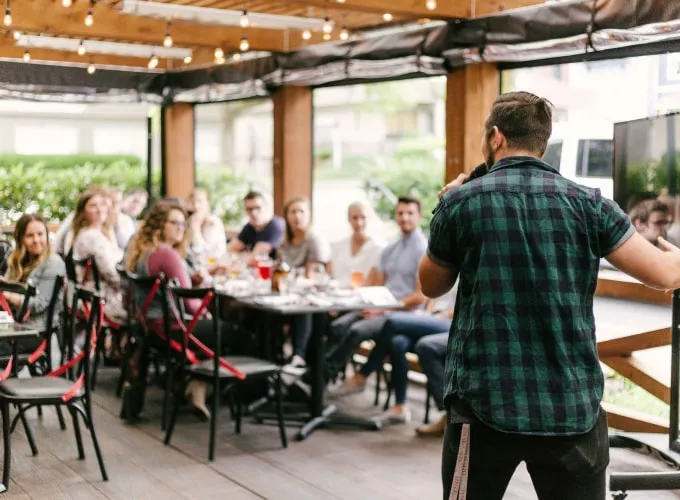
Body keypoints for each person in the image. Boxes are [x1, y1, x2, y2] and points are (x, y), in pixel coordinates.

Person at [418, 90, 680, 499]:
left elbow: (430, 284)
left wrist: (447, 202)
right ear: (543, 143)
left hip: (484, 402)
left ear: (496, 137)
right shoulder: (590, 204)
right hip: (570, 404)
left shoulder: (462, 202)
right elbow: (666, 275)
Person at [125, 200, 224, 420]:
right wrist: (209, 307)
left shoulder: (142, 250)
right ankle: (204, 385)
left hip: (150, 329)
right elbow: (190, 304)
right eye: (175, 223)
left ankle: (195, 383)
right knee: (237, 333)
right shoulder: (166, 254)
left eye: (183, 223)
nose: (181, 228)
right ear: (160, 225)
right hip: (172, 329)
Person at [277, 197, 330, 369]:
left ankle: (298, 357)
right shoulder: (283, 244)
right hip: (287, 296)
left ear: (309, 216)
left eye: (301, 212)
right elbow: (279, 271)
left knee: (303, 307)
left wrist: (291, 275)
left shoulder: (314, 240)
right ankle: (273, 358)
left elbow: (313, 274)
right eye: (293, 212)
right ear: (286, 216)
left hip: (313, 298)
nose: (297, 216)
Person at [2, 214, 65, 354]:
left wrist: (9, 295)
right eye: (30, 235)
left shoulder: (53, 263)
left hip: (36, 331)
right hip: (13, 325)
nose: (36, 240)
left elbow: (40, 304)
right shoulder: (16, 259)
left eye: (40, 234)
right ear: (21, 239)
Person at [71, 188, 126, 324]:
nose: (100, 209)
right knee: (148, 309)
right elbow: (111, 273)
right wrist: (132, 286)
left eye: (102, 204)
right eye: (93, 205)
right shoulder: (91, 237)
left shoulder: (99, 233)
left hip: (94, 296)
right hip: (102, 300)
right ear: (83, 212)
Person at [328, 201, 383, 288]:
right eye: (354, 218)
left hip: (361, 297)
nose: (359, 223)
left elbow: (371, 282)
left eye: (363, 217)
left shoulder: (377, 248)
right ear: (349, 219)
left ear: (369, 219)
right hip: (335, 294)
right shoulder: (338, 246)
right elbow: (329, 276)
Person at [228, 191, 285, 256]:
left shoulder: (276, 225)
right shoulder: (250, 227)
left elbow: (256, 257)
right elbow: (231, 250)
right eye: (249, 209)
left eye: (258, 208)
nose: (253, 212)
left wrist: (244, 254)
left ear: (266, 207)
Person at [186, 189, 227, 267]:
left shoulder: (214, 223)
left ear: (207, 204)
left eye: (200, 202)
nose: (196, 206)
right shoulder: (189, 223)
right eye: (192, 202)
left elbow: (205, 256)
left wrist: (196, 230)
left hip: (213, 267)